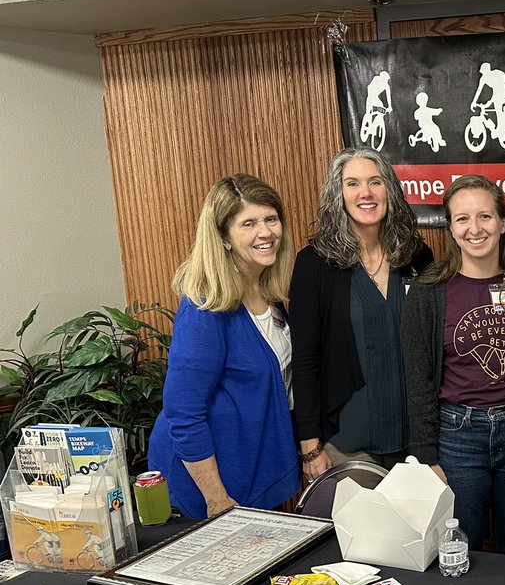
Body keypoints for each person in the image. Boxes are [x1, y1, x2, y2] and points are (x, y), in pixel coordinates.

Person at [401, 175, 505, 555]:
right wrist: (425, 454)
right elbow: (418, 378)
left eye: (485, 216)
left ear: (502, 222)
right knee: (462, 548)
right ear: (450, 227)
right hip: (457, 438)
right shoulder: (428, 292)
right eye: (462, 218)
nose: (474, 228)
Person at [148, 174, 299, 518]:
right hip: (210, 490)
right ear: (224, 237)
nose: (265, 232)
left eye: (271, 219)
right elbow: (183, 414)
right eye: (249, 223)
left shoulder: (268, 293)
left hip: (254, 471)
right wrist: (216, 498)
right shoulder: (205, 308)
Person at [290, 147, 433, 482]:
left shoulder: (417, 256)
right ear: (338, 194)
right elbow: (305, 359)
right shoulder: (314, 264)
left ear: (390, 190)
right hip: (345, 441)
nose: (365, 193)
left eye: (375, 182)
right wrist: (310, 445)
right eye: (352, 183)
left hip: (415, 439)